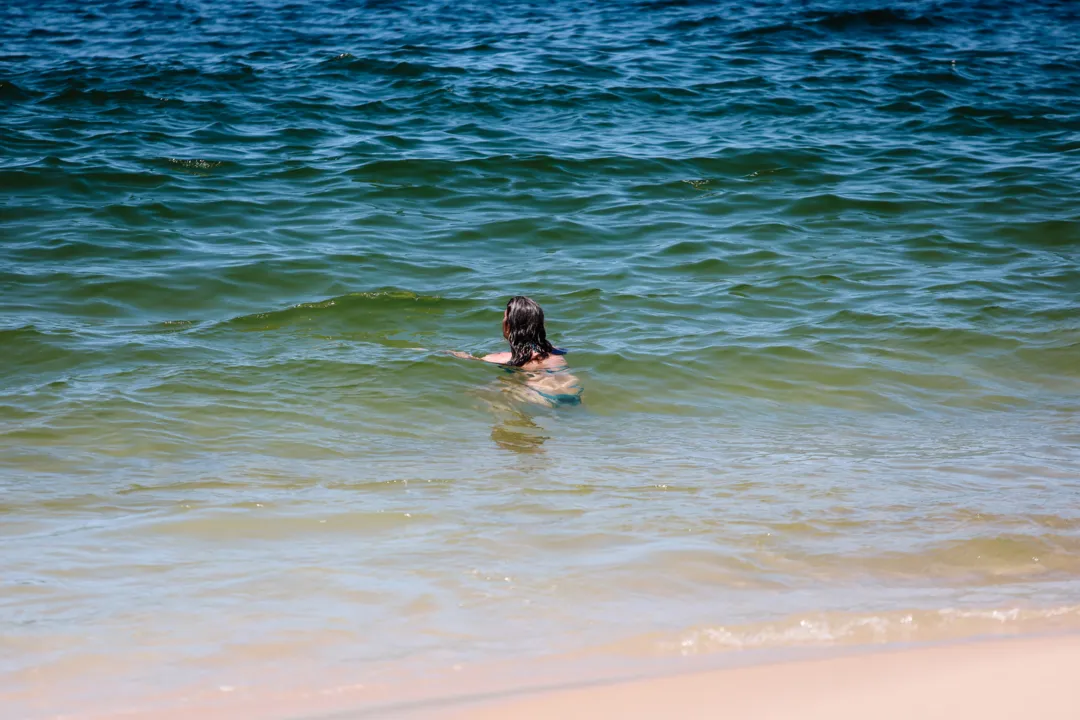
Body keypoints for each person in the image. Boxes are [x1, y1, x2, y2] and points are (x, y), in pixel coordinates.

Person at [452, 296, 581, 405]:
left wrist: (457, 355)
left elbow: (474, 361)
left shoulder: (500, 358)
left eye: (504, 317)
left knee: (475, 393)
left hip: (541, 397)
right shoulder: (555, 351)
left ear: (509, 325)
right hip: (573, 394)